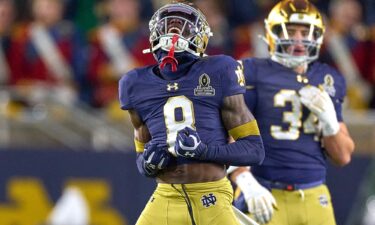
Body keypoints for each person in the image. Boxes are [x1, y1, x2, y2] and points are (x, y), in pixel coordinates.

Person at [118, 1, 265, 225]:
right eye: (168, 27)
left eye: (183, 28)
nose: (174, 33)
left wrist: (203, 151)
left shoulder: (219, 70)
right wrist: (150, 163)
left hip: (211, 195)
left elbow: (254, 149)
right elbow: (141, 159)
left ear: (201, 37)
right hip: (166, 196)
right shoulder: (134, 83)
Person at [232, 0, 355, 224]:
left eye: (305, 31)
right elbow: (227, 134)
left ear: (317, 36)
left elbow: (343, 156)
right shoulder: (252, 72)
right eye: (290, 30)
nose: (298, 39)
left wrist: (330, 124)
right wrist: (245, 180)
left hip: (314, 195)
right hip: (264, 191)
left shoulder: (328, 78)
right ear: (272, 33)